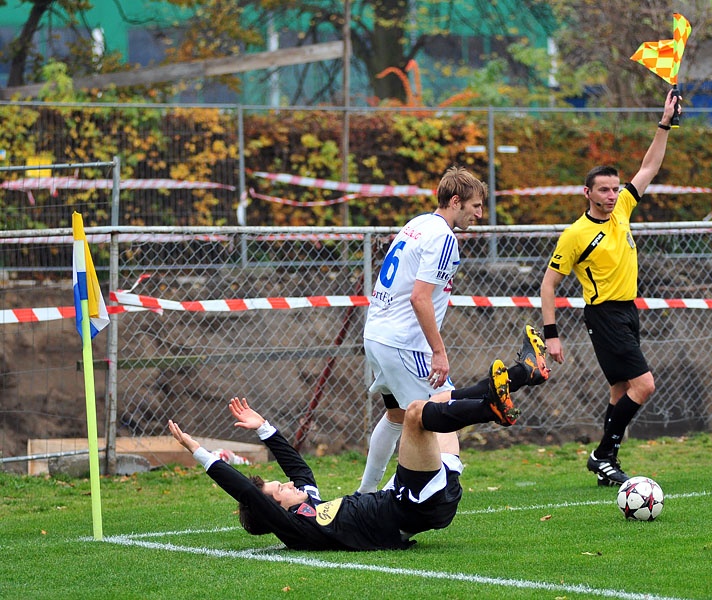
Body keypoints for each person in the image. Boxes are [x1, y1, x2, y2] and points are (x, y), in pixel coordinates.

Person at [166, 369, 517, 551]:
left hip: (421, 499)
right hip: (411, 505)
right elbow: (245, 491)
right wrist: (199, 452)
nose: (289, 484)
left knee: (435, 399)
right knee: (414, 414)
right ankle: (490, 408)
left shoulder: (311, 507)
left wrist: (265, 429)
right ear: (275, 510)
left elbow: (298, 468)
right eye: (280, 490)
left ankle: (511, 381)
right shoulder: (298, 530)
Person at [358, 165, 549, 493]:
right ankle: (384, 506)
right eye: (475, 206)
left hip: (377, 335)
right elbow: (420, 298)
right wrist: (438, 351)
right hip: (405, 343)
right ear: (456, 201)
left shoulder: (417, 223)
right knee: (439, 419)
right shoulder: (444, 237)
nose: (479, 214)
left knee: (397, 417)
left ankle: (364, 495)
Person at [539, 89, 680, 487]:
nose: (611, 195)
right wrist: (552, 335)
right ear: (587, 193)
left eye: (614, 188)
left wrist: (664, 123)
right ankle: (602, 455)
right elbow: (549, 285)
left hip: (627, 311)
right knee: (644, 385)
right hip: (603, 316)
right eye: (603, 189)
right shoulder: (576, 234)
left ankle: (605, 462)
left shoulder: (621, 209)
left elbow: (650, 167)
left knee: (620, 390)